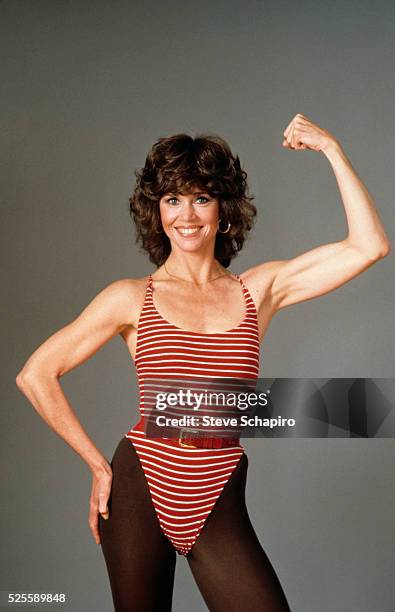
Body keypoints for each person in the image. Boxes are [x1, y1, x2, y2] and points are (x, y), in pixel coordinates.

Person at [16, 113, 390, 612]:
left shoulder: (259, 289)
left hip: (219, 487)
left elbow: (371, 245)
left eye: (201, 197)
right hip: (140, 485)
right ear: (157, 211)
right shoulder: (130, 298)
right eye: (172, 199)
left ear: (223, 209)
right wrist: (95, 465)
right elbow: (36, 374)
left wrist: (331, 149)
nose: (186, 215)